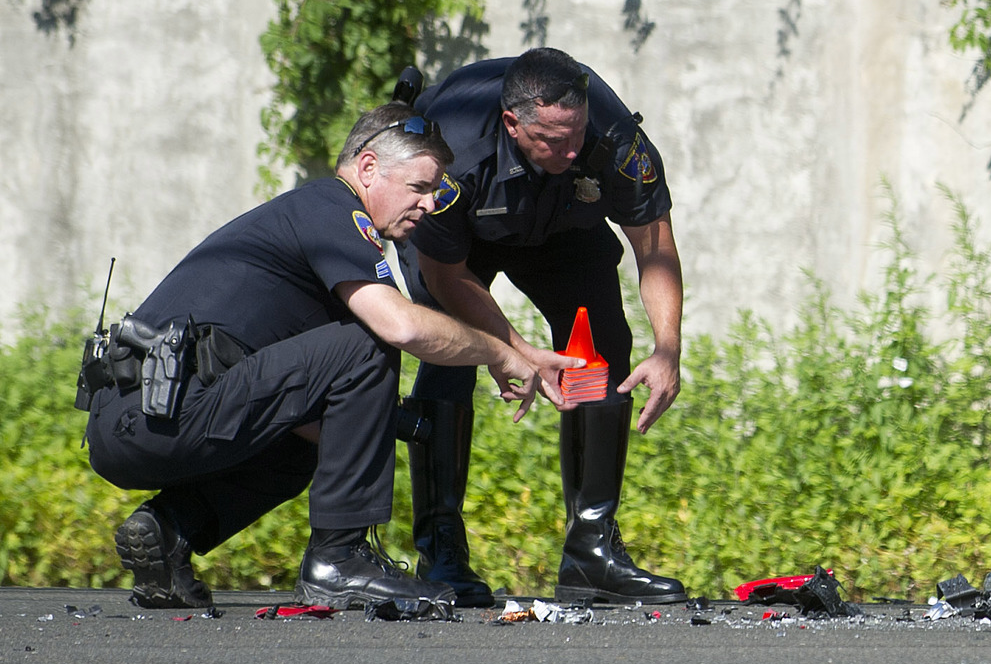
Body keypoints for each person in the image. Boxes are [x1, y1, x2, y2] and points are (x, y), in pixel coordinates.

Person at [82, 104, 569, 610]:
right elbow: (399, 326)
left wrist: (373, 425)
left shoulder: (310, 225)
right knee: (369, 341)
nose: (430, 205)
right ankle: (340, 560)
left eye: (439, 192)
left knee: (300, 450)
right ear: (368, 168)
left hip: (130, 421)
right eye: (421, 187)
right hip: (165, 408)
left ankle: (168, 532)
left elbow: (319, 411)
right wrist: (498, 352)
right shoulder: (332, 207)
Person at [398, 47, 688, 607]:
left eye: (578, 133)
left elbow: (655, 244)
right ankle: (442, 556)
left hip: (559, 226)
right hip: (458, 247)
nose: (573, 148)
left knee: (600, 345)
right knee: (450, 353)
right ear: (513, 124)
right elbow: (444, 276)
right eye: (555, 140)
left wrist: (669, 348)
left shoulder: (611, 140)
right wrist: (511, 350)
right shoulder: (452, 154)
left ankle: (590, 552)